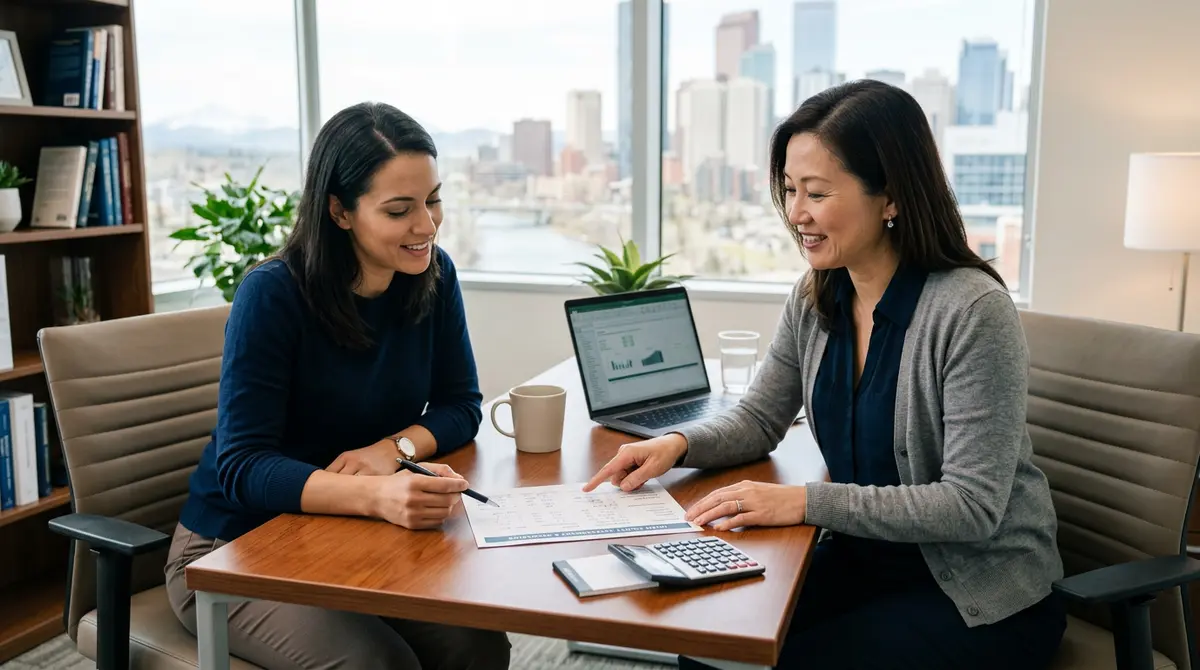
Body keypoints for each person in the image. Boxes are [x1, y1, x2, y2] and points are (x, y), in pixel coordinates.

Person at [584, 80, 1066, 670]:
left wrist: (804, 502)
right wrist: (677, 444)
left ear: (890, 198)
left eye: (816, 192)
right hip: (867, 563)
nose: (796, 214)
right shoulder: (817, 295)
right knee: (710, 640)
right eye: (790, 190)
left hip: (981, 595)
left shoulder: (972, 311)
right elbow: (760, 418)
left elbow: (970, 506)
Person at [164, 102, 511, 670]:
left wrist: (392, 451)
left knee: (476, 644)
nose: (426, 225)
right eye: (399, 210)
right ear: (340, 211)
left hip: (347, 531)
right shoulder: (273, 294)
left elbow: (460, 404)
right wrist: (377, 495)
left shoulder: (432, 273)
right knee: (376, 665)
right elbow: (243, 466)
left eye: (433, 200)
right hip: (232, 548)